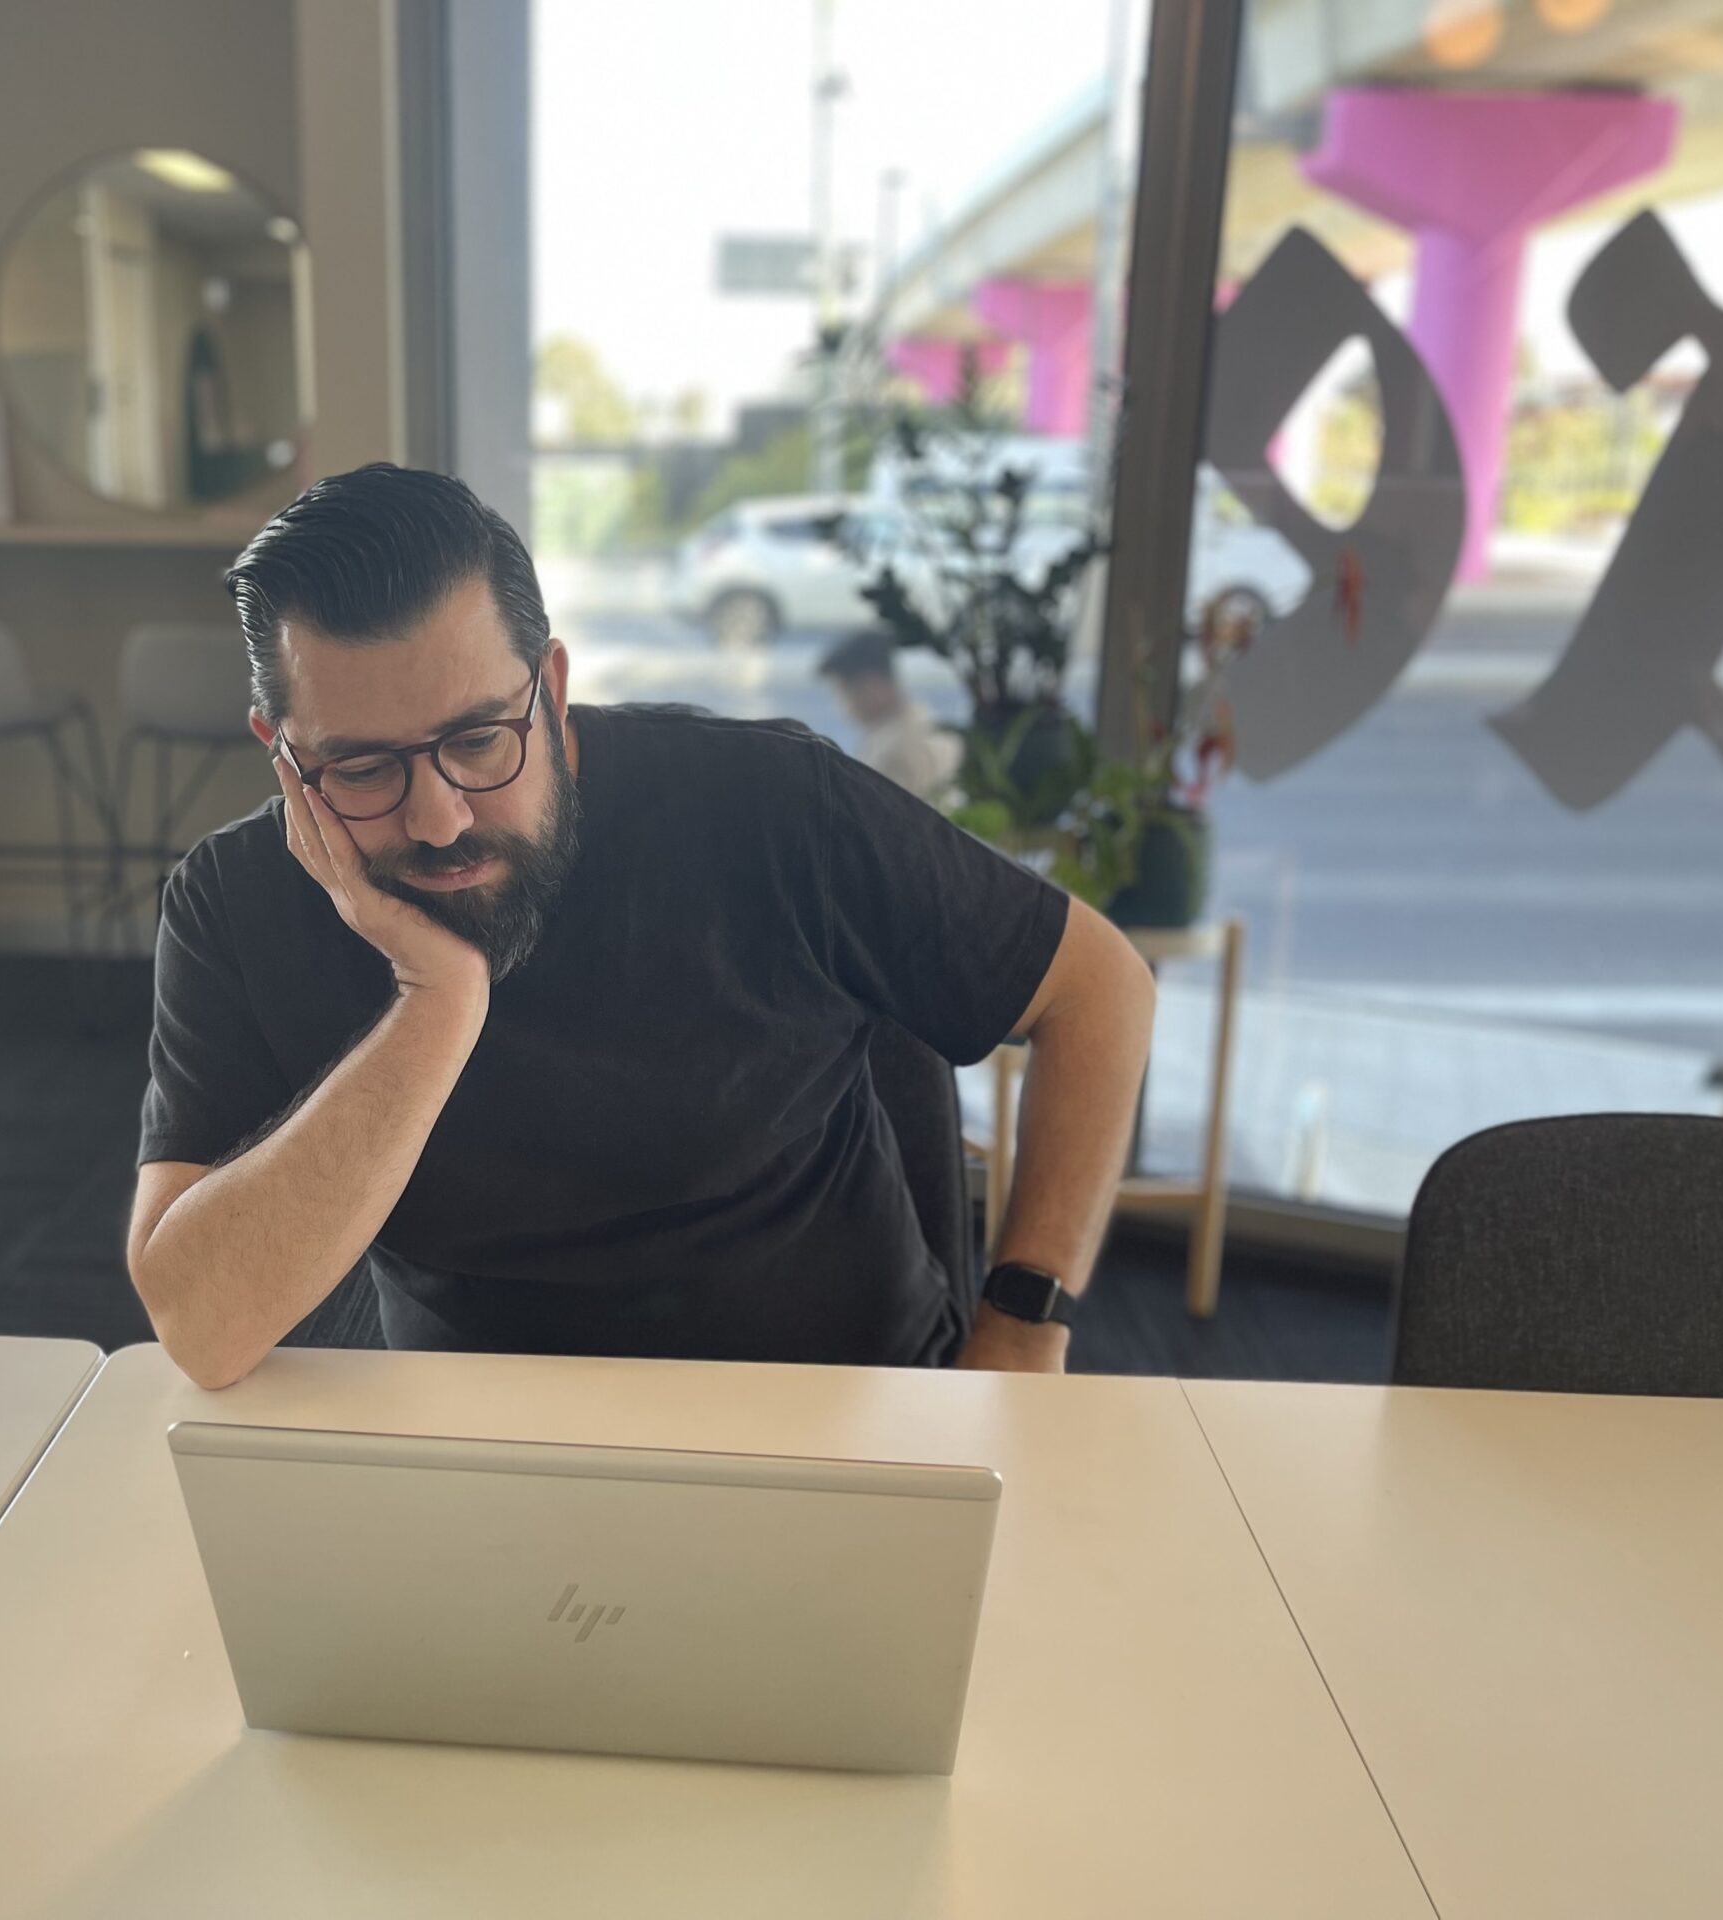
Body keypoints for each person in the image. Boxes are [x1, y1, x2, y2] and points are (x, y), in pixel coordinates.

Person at [127, 464, 1156, 1389]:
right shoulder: (238, 900)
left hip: (846, 1416)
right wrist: (435, 1006)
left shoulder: (768, 805)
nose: (437, 817)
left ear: (554, 691)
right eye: (360, 767)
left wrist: (1024, 1332)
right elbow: (203, 1330)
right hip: (488, 1453)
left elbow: (1099, 988)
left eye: (480, 740)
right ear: (283, 750)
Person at [817, 629, 963, 804]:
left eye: (844, 692)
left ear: (871, 685)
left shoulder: (895, 749)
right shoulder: (926, 723)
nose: (841, 706)